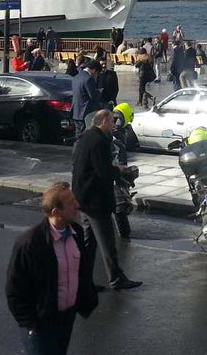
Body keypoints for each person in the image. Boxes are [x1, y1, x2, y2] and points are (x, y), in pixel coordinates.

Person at [5, 182, 100, 355]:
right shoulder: (30, 243)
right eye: (71, 203)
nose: (77, 205)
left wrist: (87, 298)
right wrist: (30, 323)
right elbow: (14, 289)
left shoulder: (76, 233)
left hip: (66, 318)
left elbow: (81, 272)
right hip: (41, 324)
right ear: (57, 212)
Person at [72, 109, 142, 290]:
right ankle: (116, 278)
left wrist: (111, 166)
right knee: (106, 240)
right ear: (103, 122)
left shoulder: (86, 137)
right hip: (95, 200)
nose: (114, 125)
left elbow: (94, 165)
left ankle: (83, 281)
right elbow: (103, 173)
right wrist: (118, 170)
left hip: (82, 196)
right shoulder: (100, 141)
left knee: (88, 243)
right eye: (112, 122)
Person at [110, 103, 138, 239]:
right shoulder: (117, 137)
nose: (116, 122)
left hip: (112, 174)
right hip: (110, 175)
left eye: (117, 119)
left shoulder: (119, 136)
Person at [71, 61, 101, 138]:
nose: (96, 75)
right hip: (86, 112)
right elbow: (92, 96)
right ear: (94, 70)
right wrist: (99, 92)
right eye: (96, 73)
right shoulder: (88, 79)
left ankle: (77, 149)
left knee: (78, 135)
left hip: (76, 111)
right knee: (85, 136)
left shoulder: (76, 77)